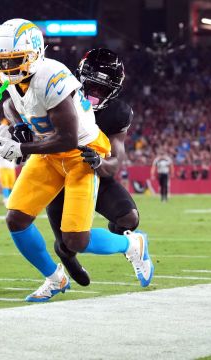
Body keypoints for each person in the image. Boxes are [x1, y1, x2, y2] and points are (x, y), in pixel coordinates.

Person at [0, 19, 153, 302]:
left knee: (76, 240)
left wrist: (21, 148)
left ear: (33, 55)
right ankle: (55, 278)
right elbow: (11, 103)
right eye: (1, 62)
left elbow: (67, 139)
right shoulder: (15, 79)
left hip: (80, 153)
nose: (6, 69)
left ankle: (132, 243)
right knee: (16, 218)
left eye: (13, 60)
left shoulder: (53, 78)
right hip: (48, 153)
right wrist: (17, 128)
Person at [45, 48, 141, 286]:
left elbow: (116, 161)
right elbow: (11, 105)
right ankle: (64, 261)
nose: (95, 93)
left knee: (129, 219)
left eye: (102, 89)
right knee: (67, 245)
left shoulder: (118, 113)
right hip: (59, 176)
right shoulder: (59, 95)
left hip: (93, 172)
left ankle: (127, 243)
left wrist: (99, 162)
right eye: (92, 86)